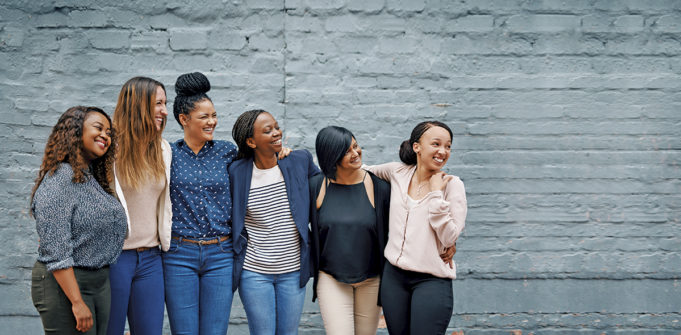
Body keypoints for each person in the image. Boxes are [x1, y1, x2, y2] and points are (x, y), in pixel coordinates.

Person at [30, 106, 127, 334]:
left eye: (109, 132)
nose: (105, 135)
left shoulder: (91, 179)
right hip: (66, 285)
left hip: (98, 282)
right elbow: (55, 248)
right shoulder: (60, 178)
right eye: (98, 128)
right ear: (75, 131)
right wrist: (76, 301)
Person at [365, 121, 467, 335]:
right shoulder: (398, 172)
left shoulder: (451, 185)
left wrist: (436, 194)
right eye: (436, 144)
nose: (443, 151)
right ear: (417, 147)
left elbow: (449, 238)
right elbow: (359, 172)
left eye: (448, 146)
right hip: (394, 278)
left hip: (431, 280)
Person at [230, 109, 320, 335]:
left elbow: (326, 192)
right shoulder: (237, 172)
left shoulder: (299, 160)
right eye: (267, 131)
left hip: (292, 270)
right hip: (254, 272)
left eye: (277, 127)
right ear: (251, 141)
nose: (276, 133)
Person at [161, 72, 238, 334]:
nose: (212, 122)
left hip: (221, 254)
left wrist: (282, 153)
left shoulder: (228, 151)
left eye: (214, 115)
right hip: (179, 254)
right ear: (184, 119)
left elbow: (260, 167)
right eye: (204, 117)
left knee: (215, 331)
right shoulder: (167, 153)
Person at [309, 126, 391, 335]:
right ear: (332, 156)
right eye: (347, 151)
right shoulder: (316, 186)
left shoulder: (379, 186)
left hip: (372, 279)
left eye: (356, 146)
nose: (355, 153)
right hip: (331, 278)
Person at [106, 77, 170, 335]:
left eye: (165, 103)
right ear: (137, 105)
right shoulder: (109, 150)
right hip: (115, 258)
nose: (165, 111)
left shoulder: (163, 149)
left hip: (152, 259)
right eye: (158, 103)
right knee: (110, 330)